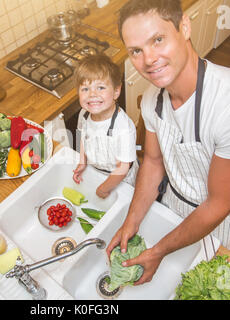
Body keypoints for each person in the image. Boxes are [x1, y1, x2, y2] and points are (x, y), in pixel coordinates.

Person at [106, 0, 230, 285]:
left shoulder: (224, 104)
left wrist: (158, 251)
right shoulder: (152, 100)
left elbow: (219, 203)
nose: (148, 59)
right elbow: (152, 161)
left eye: (158, 40)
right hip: (172, 210)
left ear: (184, 27)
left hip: (219, 226)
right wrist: (131, 221)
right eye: (136, 50)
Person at [73, 53, 138, 199]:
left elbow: (123, 168)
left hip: (120, 180)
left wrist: (103, 188)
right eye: (85, 89)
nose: (92, 94)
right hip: (95, 171)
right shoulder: (84, 114)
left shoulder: (123, 128)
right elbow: (83, 137)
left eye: (100, 87)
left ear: (116, 91)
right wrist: (82, 162)